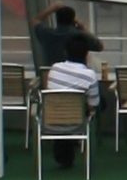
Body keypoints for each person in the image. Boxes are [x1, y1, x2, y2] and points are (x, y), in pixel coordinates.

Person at [43, 33, 102, 169]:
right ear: (86, 54)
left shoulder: (55, 68)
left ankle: (65, 154)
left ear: (65, 51)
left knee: (64, 107)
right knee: (98, 103)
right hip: (76, 118)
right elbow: (94, 104)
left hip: (52, 117)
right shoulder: (89, 75)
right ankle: (83, 141)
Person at [31, 3, 82, 73]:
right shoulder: (78, 35)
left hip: (53, 74)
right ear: (72, 20)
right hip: (75, 74)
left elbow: (35, 21)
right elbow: (97, 43)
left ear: (57, 19)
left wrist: (52, 8)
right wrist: (76, 21)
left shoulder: (47, 34)